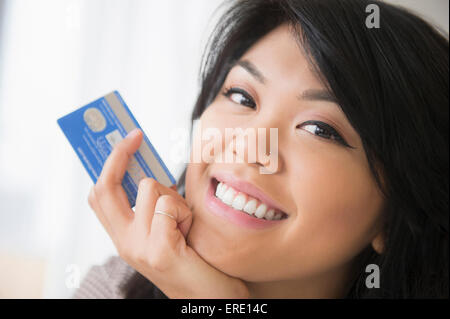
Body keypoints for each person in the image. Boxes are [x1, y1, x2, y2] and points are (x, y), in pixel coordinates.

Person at [74, 0, 449, 299]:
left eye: (319, 129)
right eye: (241, 96)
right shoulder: (113, 288)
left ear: (393, 215)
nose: (250, 145)